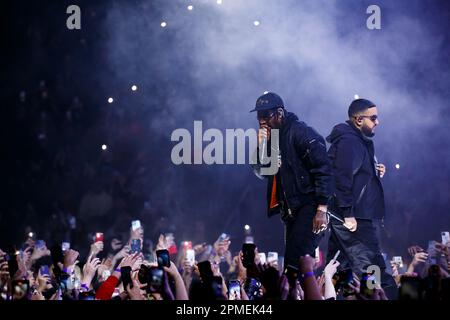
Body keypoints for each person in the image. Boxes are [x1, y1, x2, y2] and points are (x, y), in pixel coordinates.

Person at [251, 92, 333, 268]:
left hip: (309, 207)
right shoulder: (271, 139)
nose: (261, 121)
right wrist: (261, 145)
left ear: (280, 113)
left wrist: (321, 208)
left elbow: (324, 168)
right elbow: (261, 172)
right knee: (302, 269)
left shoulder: (299, 131)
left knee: (293, 266)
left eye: (266, 115)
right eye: (259, 116)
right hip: (290, 213)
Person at [325, 98, 397, 299]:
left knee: (339, 266)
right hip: (354, 218)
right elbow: (342, 179)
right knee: (371, 268)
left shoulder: (356, 141)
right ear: (358, 120)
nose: (377, 122)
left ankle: (335, 294)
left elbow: (353, 173)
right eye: (373, 118)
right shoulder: (350, 142)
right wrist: (348, 213)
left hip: (351, 216)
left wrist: (373, 171)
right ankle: (372, 297)